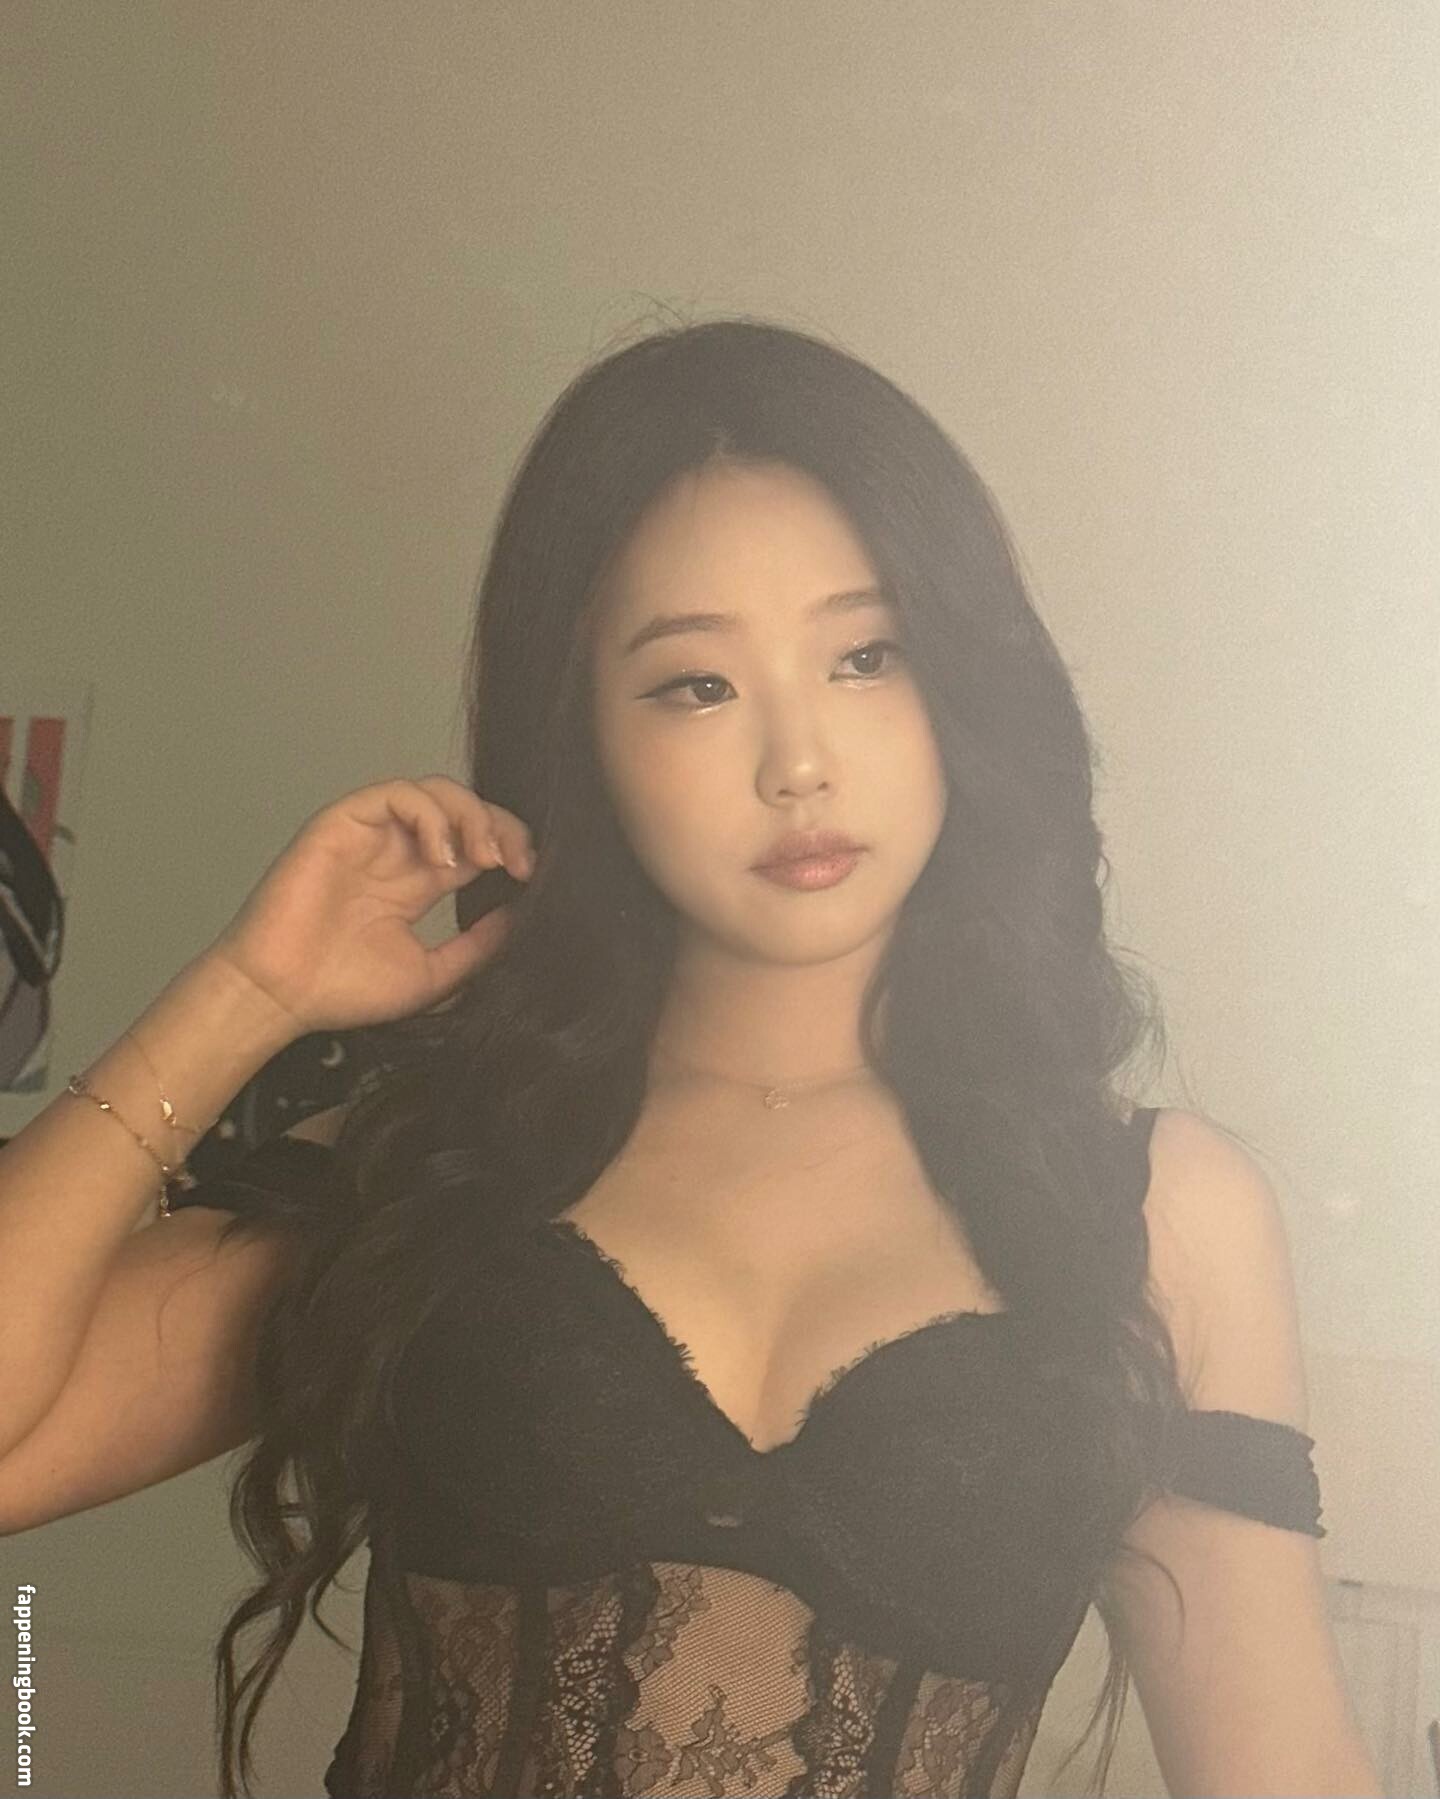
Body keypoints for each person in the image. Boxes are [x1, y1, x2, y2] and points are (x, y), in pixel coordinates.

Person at [0, 317, 1381, 1799]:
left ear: (959, 688)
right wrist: (247, 990)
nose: (799, 761)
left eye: (866, 656)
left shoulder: (1152, 1211)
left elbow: (1283, 1775)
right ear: (581, 736)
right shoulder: (435, 1151)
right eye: (696, 685)